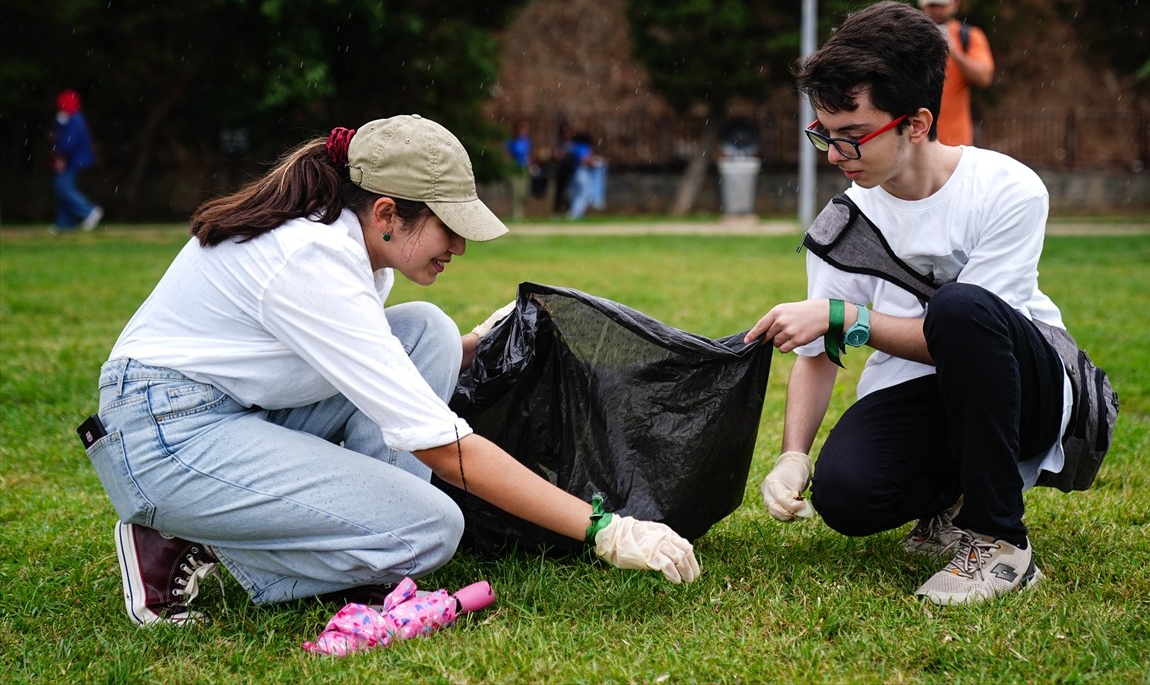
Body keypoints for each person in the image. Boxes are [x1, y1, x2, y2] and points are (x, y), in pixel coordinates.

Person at [83, 114, 699, 626]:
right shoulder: (312, 261)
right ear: (386, 213)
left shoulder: (351, 247)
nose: (459, 247)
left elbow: (369, 361)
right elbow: (443, 446)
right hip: (166, 437)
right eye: (449, 228)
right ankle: (181, 536)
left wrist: (482, 341)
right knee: (429, 532)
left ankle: (335, 531)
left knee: (428, 331)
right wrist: (605, 530)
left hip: (227, 410)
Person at [746, 1, 1076, 605]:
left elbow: (971, 334)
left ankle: (1001, 541)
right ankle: (944, 503)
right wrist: (793, 455)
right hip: (925, 396)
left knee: (956, 308)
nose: (832, 156)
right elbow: (820, 353)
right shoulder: (843, 223)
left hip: (1028, 391)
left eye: (852, 137)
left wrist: (849, 319)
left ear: (917, 124)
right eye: (823, 133)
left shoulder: (1008, 189)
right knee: (846, 493)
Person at [917, 0, 994, 147]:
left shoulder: (969, 36)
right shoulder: (911, 37)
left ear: (955, 4)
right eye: (931, 4)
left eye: (941, 4)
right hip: (916, 143)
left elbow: (984, 78)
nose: (936, 9)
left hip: (956, 143)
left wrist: (955, 53)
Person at [50, 89, 103, 233]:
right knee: (63, 188)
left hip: (73, 160)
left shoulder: (74, 119)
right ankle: (65, 224)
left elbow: (70, 141)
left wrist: (61, 156)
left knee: (62, 187)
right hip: (73, 159)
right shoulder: (68, 118)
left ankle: (89, 211)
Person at [504, 120, 532, 221]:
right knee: (515, 191)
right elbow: (507, 155)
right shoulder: (511, 141)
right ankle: (516, 213)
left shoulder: (526, 141)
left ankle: (520, 211)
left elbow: (528, 155)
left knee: (523, 191)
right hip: (514, 168)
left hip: (523, 168)